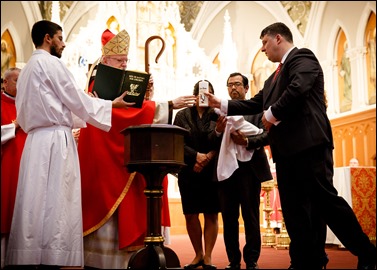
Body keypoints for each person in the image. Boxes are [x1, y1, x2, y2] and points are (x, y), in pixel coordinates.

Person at [205, 22, 376, 270]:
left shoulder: (302, 57)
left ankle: (367, 252)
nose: (262, 49)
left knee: (326, 204)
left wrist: (272, 114)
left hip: (310, 146)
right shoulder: (272, 77)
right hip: (285, 153)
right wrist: (219, 102)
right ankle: (303, 261)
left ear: (277, 38)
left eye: (264, 43)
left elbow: (299, 89)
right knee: (294, 211)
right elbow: (254, 103)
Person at [4, 20, 132, 269]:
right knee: (56, 200)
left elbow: (55, 105)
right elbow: (72, 98)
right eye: (60, 38)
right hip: (54, 141)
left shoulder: (29, 67)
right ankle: (51, 256)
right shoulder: (51, 63)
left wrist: (86, 108)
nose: (64, 43)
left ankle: (31, 256)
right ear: (47, 38)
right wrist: (109, 105)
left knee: (35, 200)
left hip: (35, 142)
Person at [78, 28, 196, 269]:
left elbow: (131, 109)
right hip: (104, 155)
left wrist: (146, 96)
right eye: (120, 61)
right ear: (106, 60)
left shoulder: (116, 78)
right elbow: (119, 115)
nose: (124, 65)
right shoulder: (98, 81)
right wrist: (167, 105)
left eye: (126, 61)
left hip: (127, 152)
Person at [214, 72, 272, 270]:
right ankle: (233, 260)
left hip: (250, 170)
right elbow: (210, 140)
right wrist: (218, 131)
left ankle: (252, 259)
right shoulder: (221, 112)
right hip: (227, 171)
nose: (233, 88)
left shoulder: (257, 110)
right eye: (230, 85)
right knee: (229, 218)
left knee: (251, 216)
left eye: (238, 84)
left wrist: (247, 141)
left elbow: (266, 135)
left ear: (246, 88)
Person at [173, 80, 220, 270]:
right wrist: (196, 157)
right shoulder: (182, 115)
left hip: (212, 171)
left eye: (207, 92)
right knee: (190, 214)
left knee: (211, 213)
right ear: (194, 95)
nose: (204, 96)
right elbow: (177, 141)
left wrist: (207, 158)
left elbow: (222, 140)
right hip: (188, 170)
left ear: (212, 94)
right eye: (200, 92)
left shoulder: (217, 114)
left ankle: (208, 256)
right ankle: (198, 254)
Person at [1, 67, 27, 269]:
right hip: (6, 167)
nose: (21, 84)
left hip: (26, 166)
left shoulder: (27, 105)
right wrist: (14, 126)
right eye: (17, 81)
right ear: (5, 83)